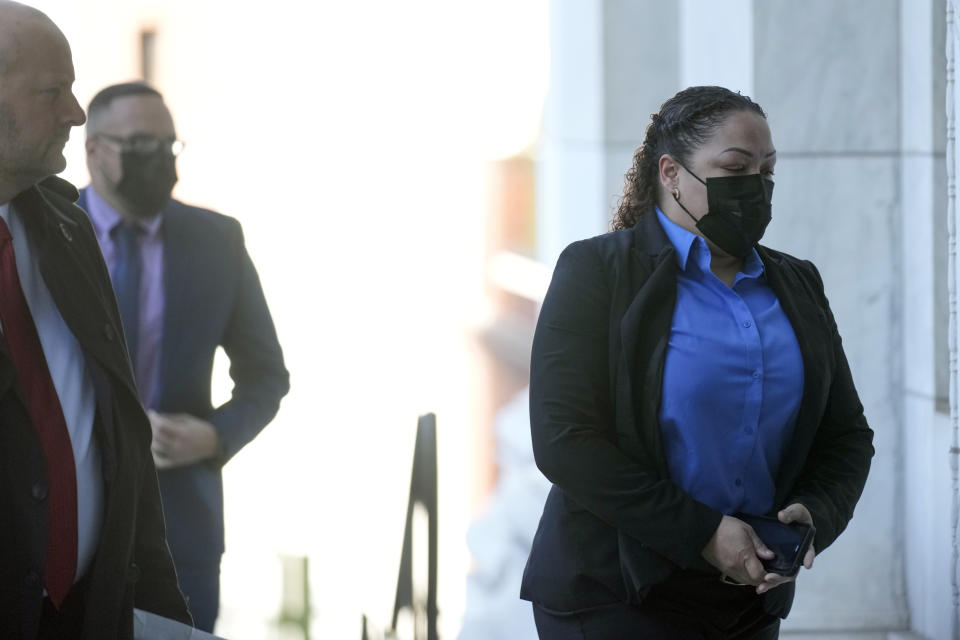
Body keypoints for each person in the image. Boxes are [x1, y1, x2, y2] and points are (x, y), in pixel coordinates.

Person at [520, 86, 875, 639]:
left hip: (748, 600)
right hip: (614, 595)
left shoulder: (798, 282)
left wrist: (816, 514)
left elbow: (847, 435)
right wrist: (704, 532)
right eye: (735, 167)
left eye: (767, 170)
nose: (755, 187)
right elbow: (564, 440)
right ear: (671, 173)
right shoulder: (596, 272)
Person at [0, 2, 192, 638]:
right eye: (53, 92)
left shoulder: (67, 229)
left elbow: (118, 437)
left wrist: (161, 614)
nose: (76, 114)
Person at [79, 81, 290, 632]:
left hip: (181, 527)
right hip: (65, 515)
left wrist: (215, 436)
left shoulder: (217, 240)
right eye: (140, 145)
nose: (159, 160)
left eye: (168, 146)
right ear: (94, 149)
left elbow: (266, 375)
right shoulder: (47, 232)